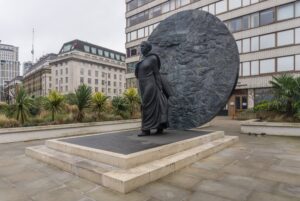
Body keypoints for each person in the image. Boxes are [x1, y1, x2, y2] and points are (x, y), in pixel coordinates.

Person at [135, 41, 169, 137]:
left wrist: (160, 87)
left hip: (150, 85)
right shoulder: (142, 59)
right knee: (151, 106)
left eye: (143, 46)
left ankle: (146, 129)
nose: (141, 47)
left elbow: (157, 74)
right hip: (143, 85)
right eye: (140, 46)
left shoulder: (153, 58)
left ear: (148, 48)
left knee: (146, 105)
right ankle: (159, 127)